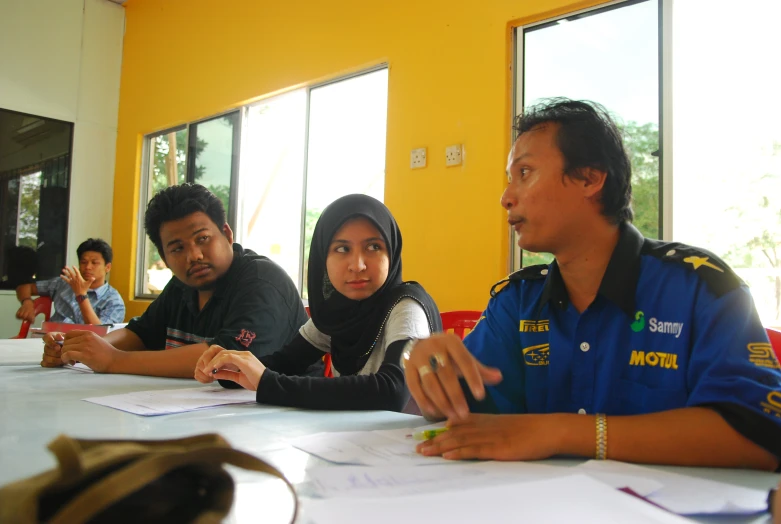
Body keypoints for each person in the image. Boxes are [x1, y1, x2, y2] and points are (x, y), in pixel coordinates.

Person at [404, 98, 781, 470]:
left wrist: (561, 433)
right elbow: (464, 416)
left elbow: (759, 432)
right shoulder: (518, 302)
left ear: (590, 178)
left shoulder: (699, 288)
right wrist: (429, 379)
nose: (506, 197)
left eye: (524, 173)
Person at [194, 194, 441, 411]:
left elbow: (393, 390)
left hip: (408, 449)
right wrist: (230, 367)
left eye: (374, 247)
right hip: (352, 443)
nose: (357, 265)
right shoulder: (336, 311)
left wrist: (269, 384)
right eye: (342, 249)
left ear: (392, 252)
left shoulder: (406, 307)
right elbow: (285, 362)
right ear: (323, 257)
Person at [40, 184, 308, 378]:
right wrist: (82, 349)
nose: (194, 255)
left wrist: (113, 360)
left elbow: (224, 358)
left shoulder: (262, 281)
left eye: (202, 238)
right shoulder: (183, 286)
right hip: (196, 417)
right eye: (177, 248)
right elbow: (141, 334)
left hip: (283, 428)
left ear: (226, 234)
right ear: (164, 257)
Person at [15, 238, 125, 325]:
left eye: (94, 263)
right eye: (83, 262)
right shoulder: (64, 283)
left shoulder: (114, 301)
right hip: (48, 340)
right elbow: (24, 287)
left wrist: (81, 295)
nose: (88, 267)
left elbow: (100, 334)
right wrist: (27, 302)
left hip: (82, 347)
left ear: (108, 267)